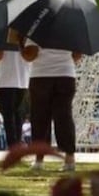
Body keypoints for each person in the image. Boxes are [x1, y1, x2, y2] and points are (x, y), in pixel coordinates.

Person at [21, 38, 81, 172]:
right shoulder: (71, 29)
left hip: (41, 75)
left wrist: (20, 45)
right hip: (66, 74)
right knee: (64, 117)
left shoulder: (37, 27)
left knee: (40, 118)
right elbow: (77, 56)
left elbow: (31, 55)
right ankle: (69, 158)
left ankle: (39, 159)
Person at [0, 42, 31, 148]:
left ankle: (12, 144)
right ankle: (17, 141)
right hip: (23, 79)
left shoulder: (1, 36)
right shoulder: (26, 36)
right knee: (17, 113)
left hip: (6, 80)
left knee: (8, 114)